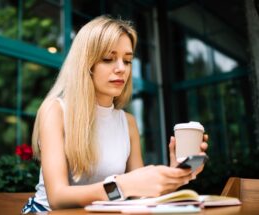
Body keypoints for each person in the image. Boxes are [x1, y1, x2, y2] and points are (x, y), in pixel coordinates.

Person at [21, 15, 208, 213]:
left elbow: (139, 196)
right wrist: (124, 184)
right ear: (86, 65)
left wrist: (174, 175)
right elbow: (58, 198)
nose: (121, 69)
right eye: (109, 59)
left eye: (127, 61)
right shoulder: (56, 110)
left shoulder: (128, 123)